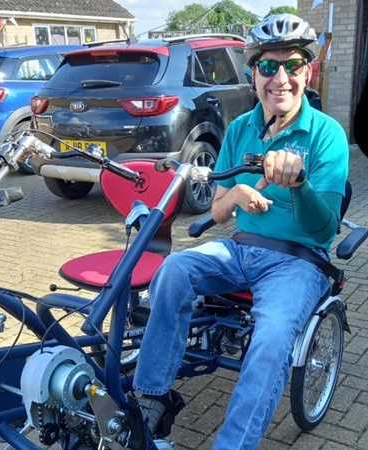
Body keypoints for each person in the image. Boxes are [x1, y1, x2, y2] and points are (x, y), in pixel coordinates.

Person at [132, 13, 350, 450]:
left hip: (298, 261)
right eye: (268, 66)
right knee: (173, 270)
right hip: (240, 249)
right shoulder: (239, 129)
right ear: (253, 74)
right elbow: (217, 210)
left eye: (293, 65)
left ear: (308, 72)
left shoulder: (327, 135)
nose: (280, 78)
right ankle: (151, 401)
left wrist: (300, 184)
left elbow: (325, 228)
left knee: (271, 339)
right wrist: (235, 194)